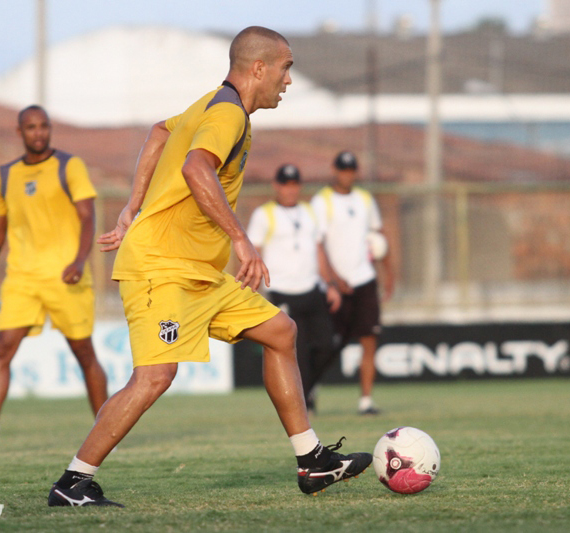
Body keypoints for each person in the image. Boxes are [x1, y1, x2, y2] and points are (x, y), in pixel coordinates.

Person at [47, 26, 372, 508]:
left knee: (280, 331)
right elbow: (196, 167)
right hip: (162, 267)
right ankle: (71, 484)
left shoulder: (212, 105)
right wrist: (241, 239)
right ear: (258, 68)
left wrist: (133, 205)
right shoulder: (228, 114)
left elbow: (160, 132)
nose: (287, 80)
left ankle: (313, 461)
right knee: (155, 376)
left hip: (197, 272)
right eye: (285, 68)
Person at [0, 105, 108, 456]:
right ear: (19, 132)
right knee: (2, 348)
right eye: (31, 127)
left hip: (66, 277)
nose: (39, 132)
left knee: (84, 353)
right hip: (21, 278)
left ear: (50, 129)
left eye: (44, 126)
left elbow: (87, 217)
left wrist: (80, 260)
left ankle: (108, 429)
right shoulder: (5, 175)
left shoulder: (70, 166)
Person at [246, 163, 341, 414]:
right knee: (297, 348)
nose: (290, 190)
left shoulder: (309, 212)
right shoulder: (263, 214)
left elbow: (319, 249)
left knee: (326, 345)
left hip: (311, 287)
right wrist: (253, 289)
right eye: (285, 185)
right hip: (281, 290)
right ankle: (303, 402)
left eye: (294, 185)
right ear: (276, 186)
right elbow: (253, 252)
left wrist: (330, 284)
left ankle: (307, 391)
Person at [311, 151, 395, 416]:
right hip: (335, 286)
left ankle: (366, 401)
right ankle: (311, 390)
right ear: (334, 170)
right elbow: (318, 244)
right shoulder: (321, 201)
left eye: (351, 170)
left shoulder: (365, 200)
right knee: (329, 344)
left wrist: (388, 274)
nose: (347, 174)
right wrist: (333, 280)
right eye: (343, 169)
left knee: (369, 339)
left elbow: (378, 240)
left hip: (364, 279)